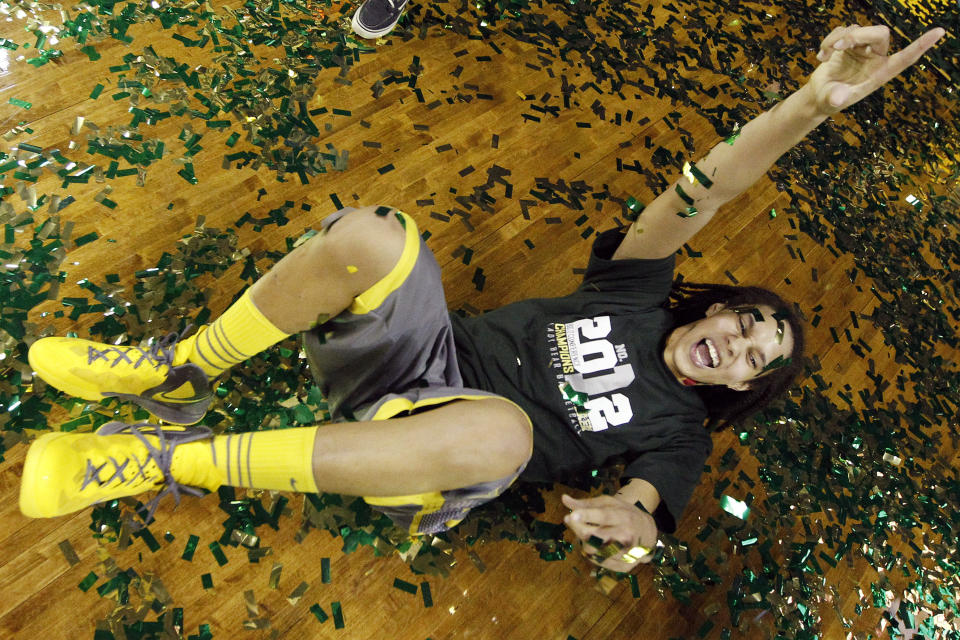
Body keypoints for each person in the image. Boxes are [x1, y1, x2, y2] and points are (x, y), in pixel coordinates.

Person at [18, 25, 944, 573]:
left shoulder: (682, 434)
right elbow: (712, 187)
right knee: (377, 233)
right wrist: (809, 107)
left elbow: (642, 518)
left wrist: (628, 535)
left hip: (436, 453)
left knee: (507, 437)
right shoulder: (636, 290)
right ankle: (182, 371)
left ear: (742, 387)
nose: (738, 345)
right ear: (710, 309)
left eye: (756, 359)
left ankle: (161, 460)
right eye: (743, 322)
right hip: (407, 364)